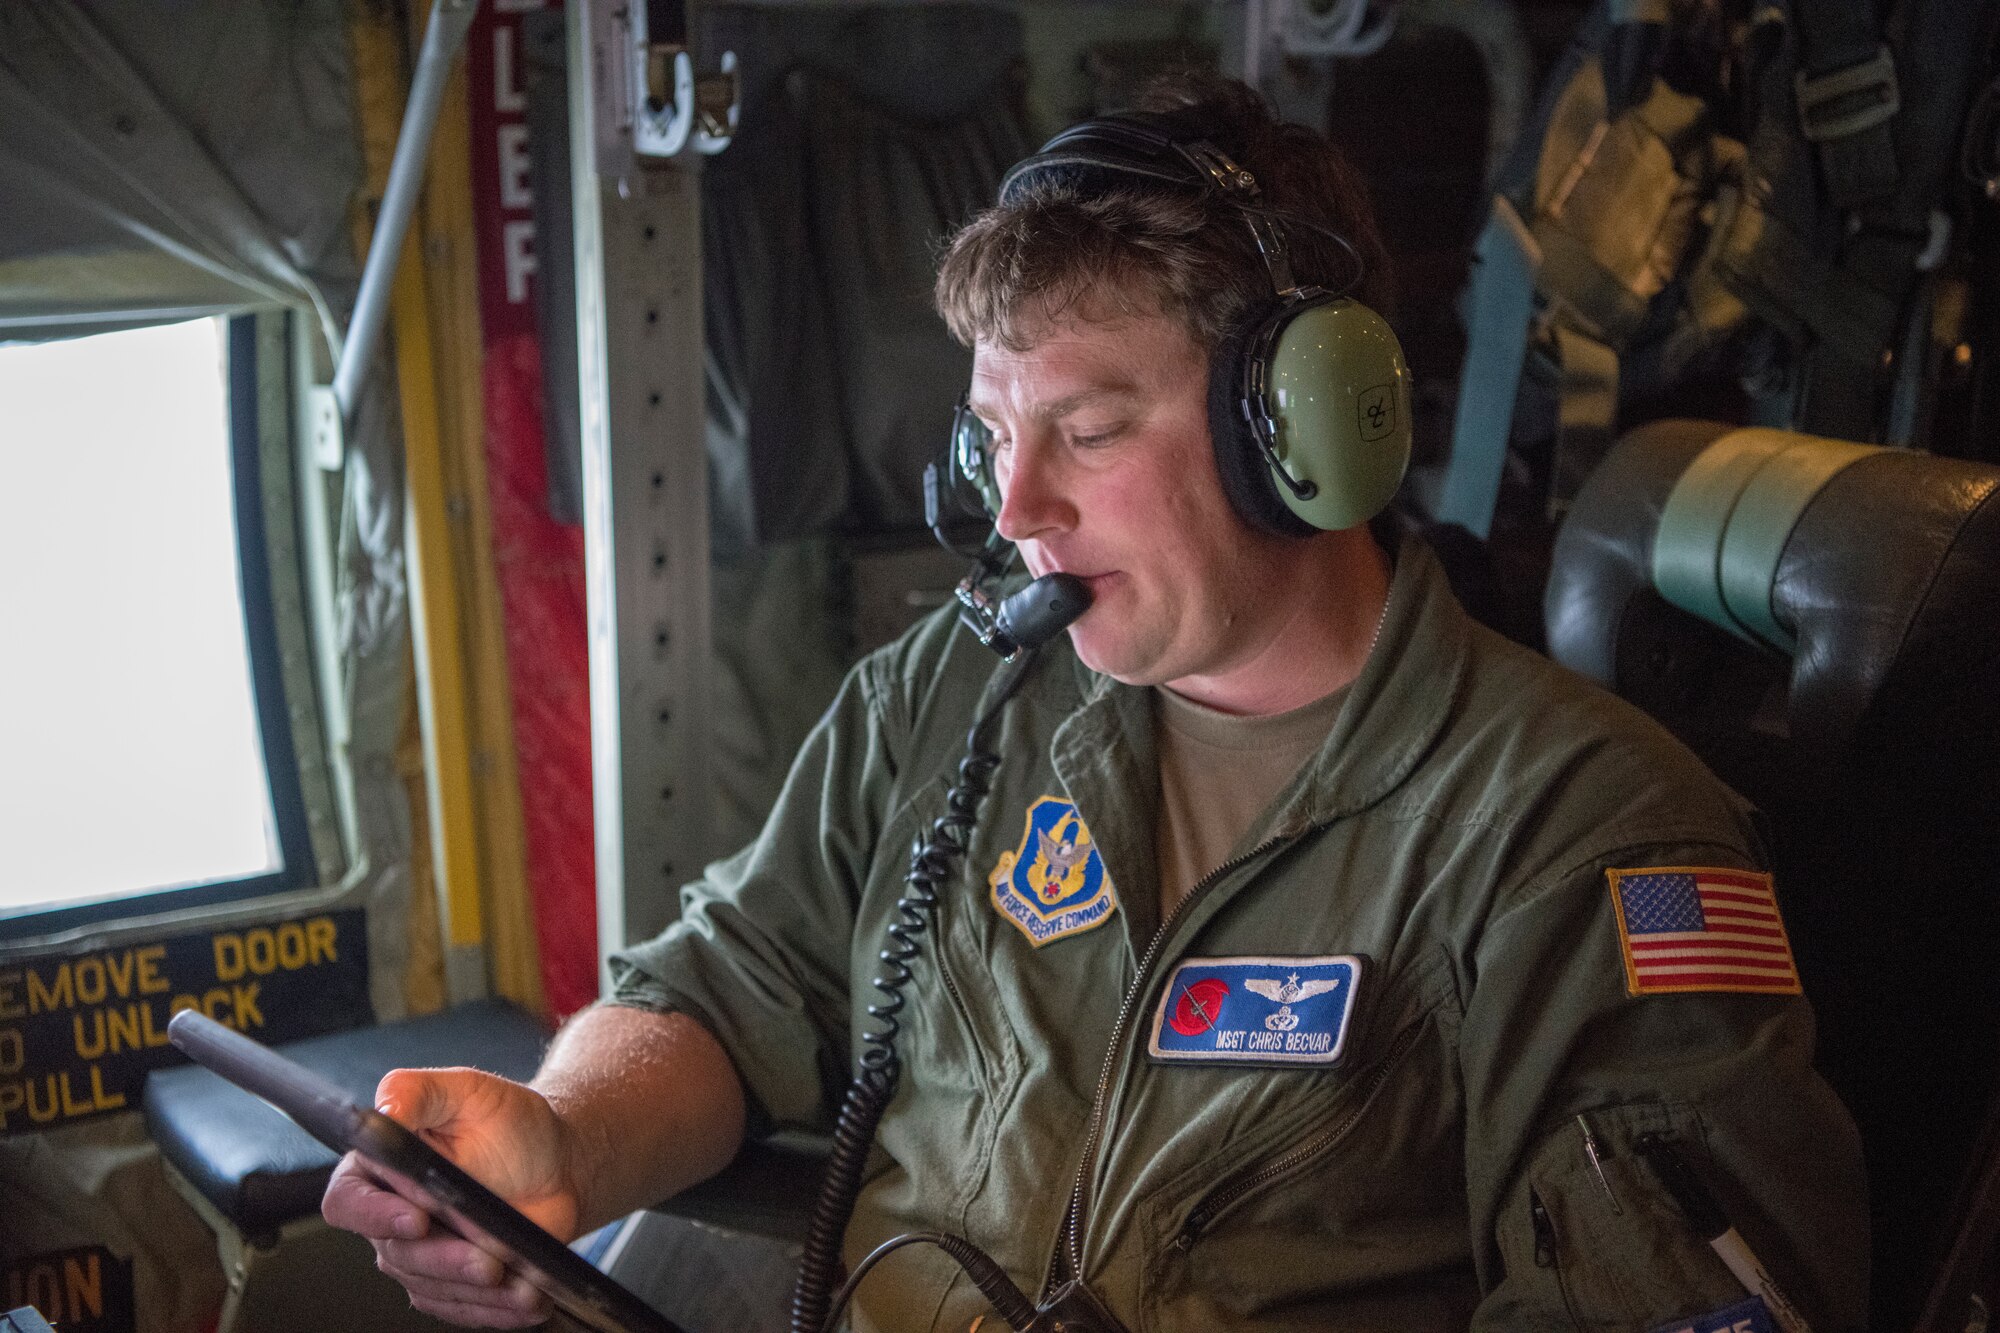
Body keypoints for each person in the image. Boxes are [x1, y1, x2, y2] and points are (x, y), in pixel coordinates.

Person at [324, 72, 1868, 1333]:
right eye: (995, 430)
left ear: (1309, 428)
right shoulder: (959, 691)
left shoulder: (1579, 834)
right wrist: (566, 1141)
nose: (1018, 507)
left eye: (1090, 427)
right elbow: (735, 982)